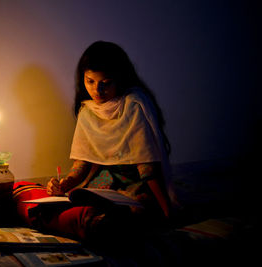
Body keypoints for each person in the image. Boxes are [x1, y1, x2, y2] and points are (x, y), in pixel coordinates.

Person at [13, 41, 177, 243]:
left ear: (120, 79)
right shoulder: (87, 111)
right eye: (90, 81)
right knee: (66, 200)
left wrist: (167, 209)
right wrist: (63, 185)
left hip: (135, 182)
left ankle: (98, 225)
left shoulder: (133, 105)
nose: (97, 90)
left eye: (105, 83)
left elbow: (146, 166)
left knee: (136, 210)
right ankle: (91, 222)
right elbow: (82, 163)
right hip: (103, 182)